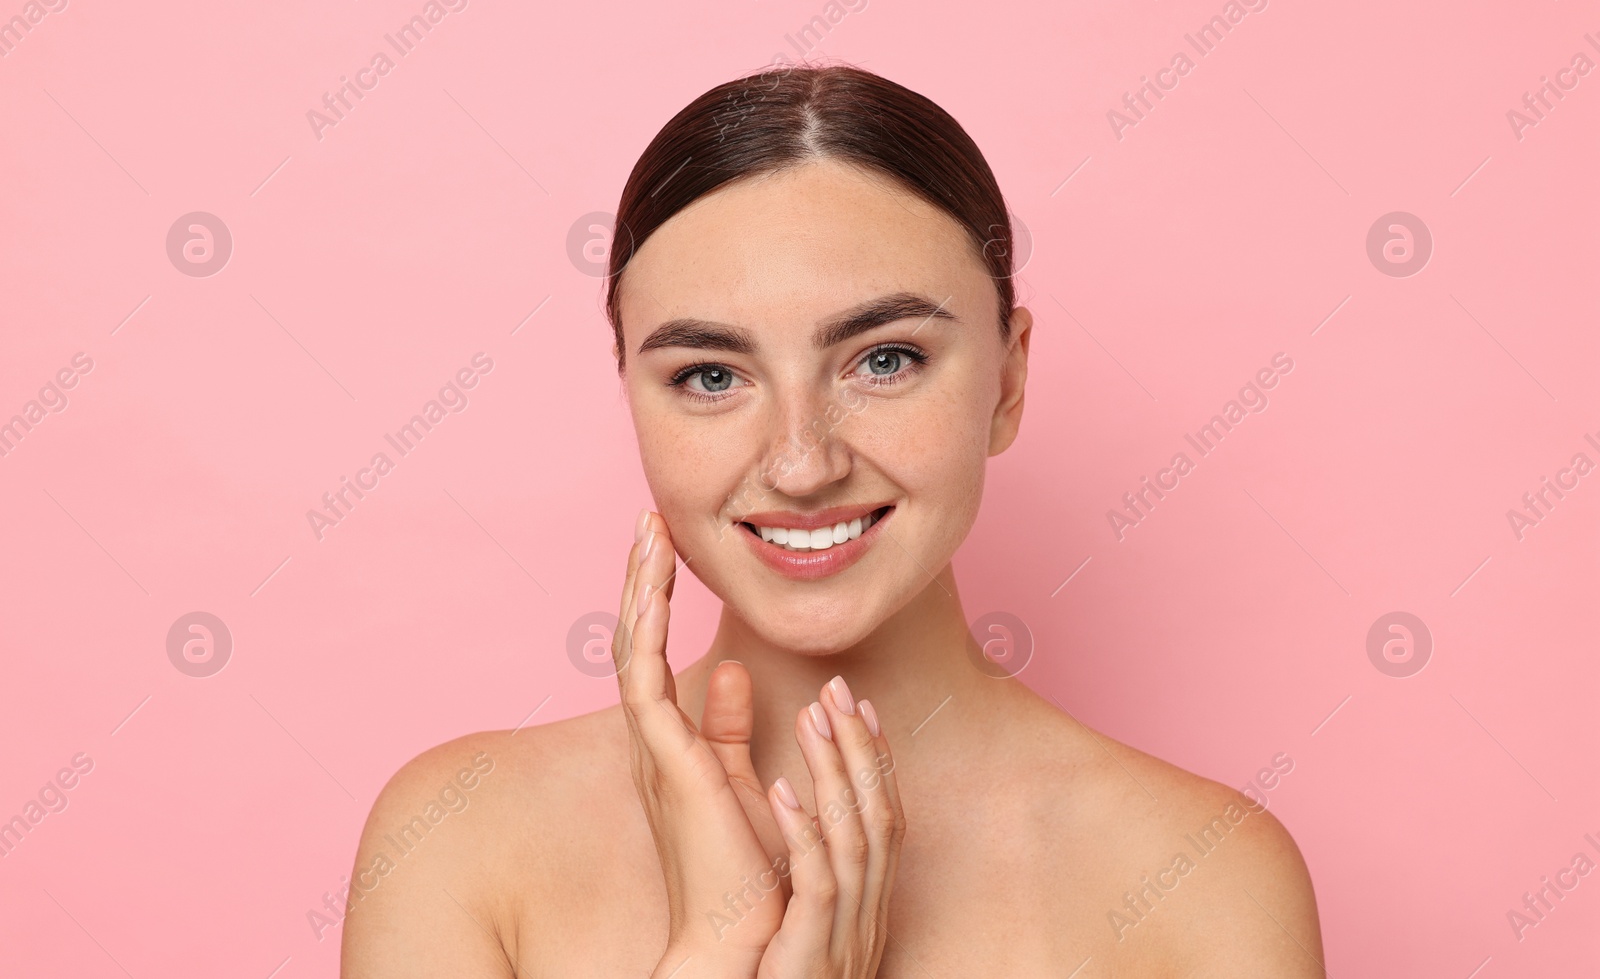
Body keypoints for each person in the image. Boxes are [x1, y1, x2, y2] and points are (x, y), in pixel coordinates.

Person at [340, 62, 1323, 977]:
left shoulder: (1205, 881)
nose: (802, 461)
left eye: (883, 359)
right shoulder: (458, 843)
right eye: (710, 376)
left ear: (1009, 378)